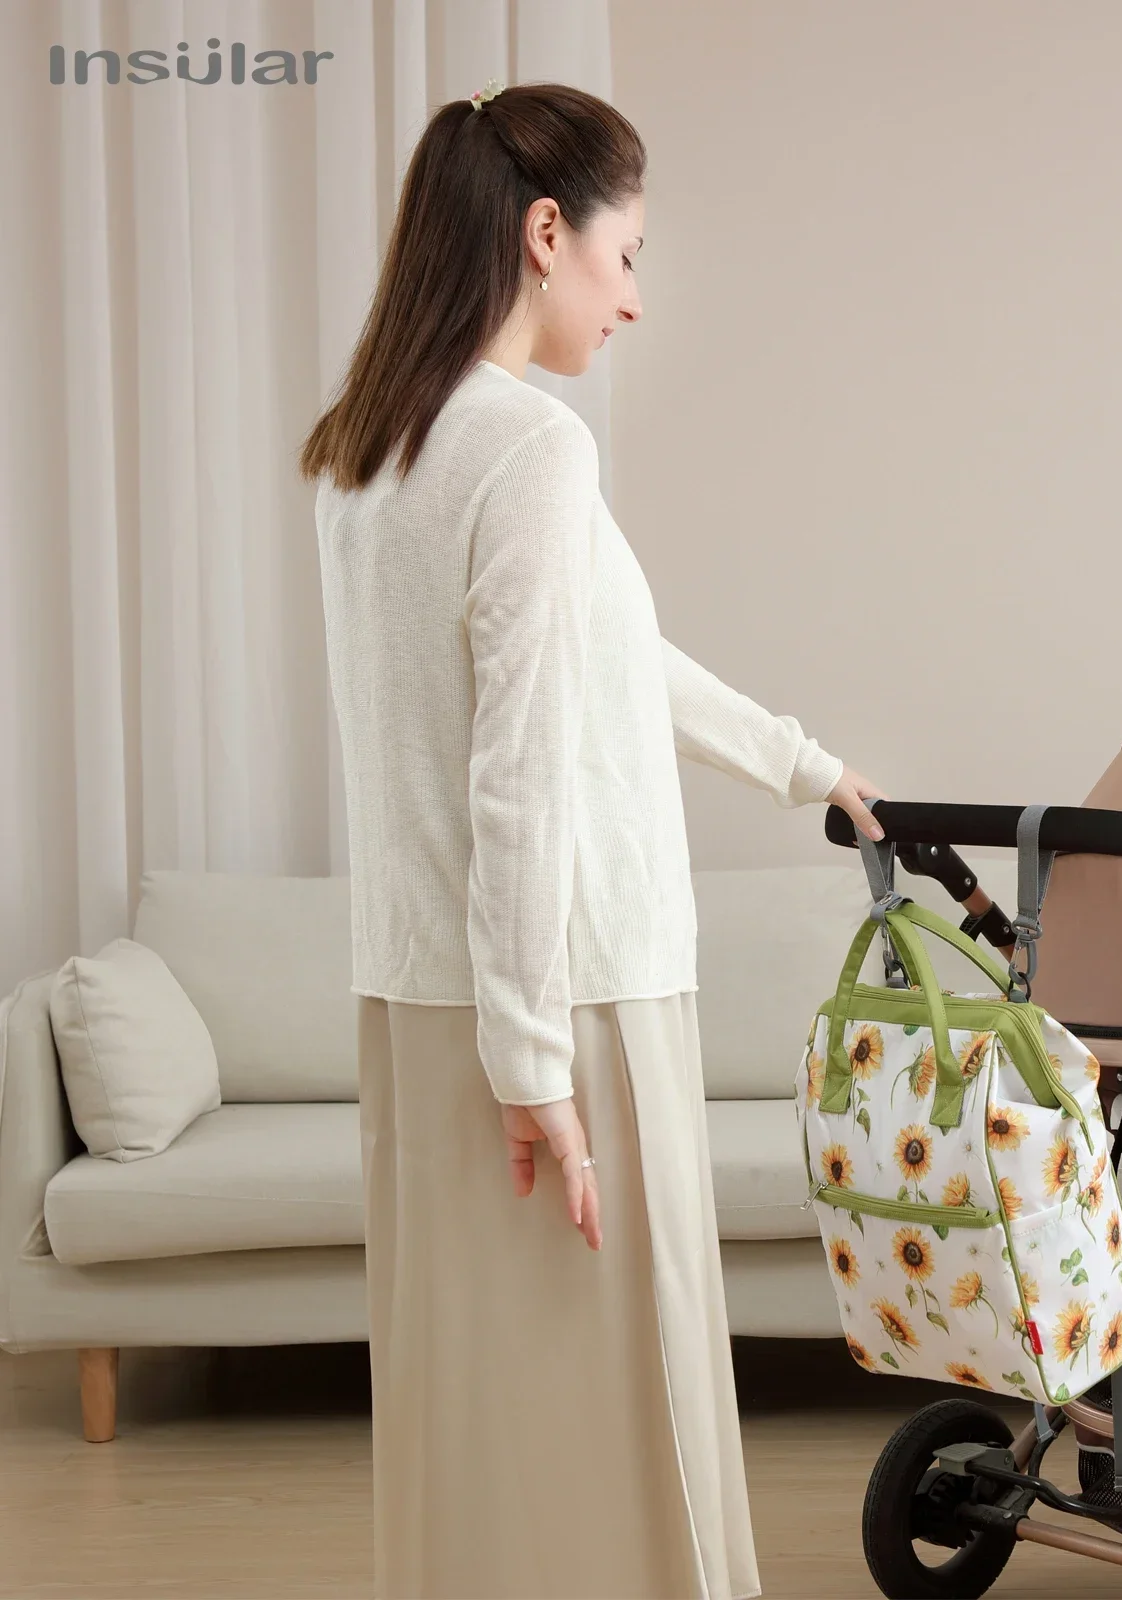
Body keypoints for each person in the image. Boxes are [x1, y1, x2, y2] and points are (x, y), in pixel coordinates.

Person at [299, 79, 887, 1600]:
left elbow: (609, 661)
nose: (632, 302)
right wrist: (534, 1063)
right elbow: (519, 774)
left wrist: (802, 766)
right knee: (639, 1421)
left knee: (471, 1420)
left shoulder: (367, 451)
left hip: (420, 997)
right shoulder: (530, 451)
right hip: (574, 999)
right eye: (626, 257)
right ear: (545, 233)